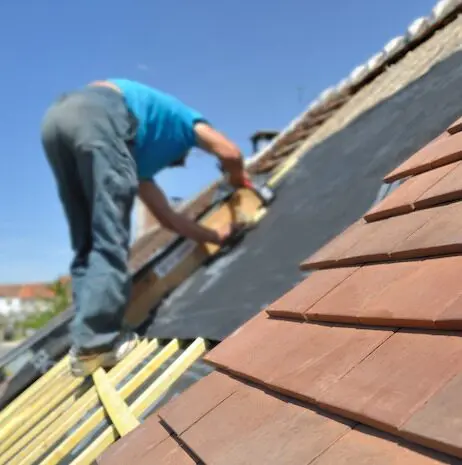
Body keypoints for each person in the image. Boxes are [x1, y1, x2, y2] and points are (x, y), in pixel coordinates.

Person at [41, 79, 251, 376]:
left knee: (87, 242)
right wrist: (236, 180)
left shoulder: (137, 163)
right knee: (108, 237)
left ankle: (87, 336)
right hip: (102, 111)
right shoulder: (186, 122)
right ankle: (98, 343)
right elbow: (229, 152)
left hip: (57, 119)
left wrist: (216, 236)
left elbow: (167, 218)